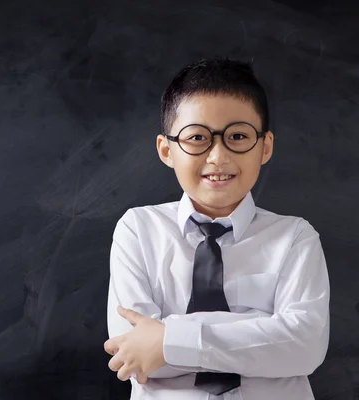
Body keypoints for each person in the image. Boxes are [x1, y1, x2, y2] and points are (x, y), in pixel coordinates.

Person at [103, 57, 330, 399]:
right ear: (167, 150)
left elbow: (304, 347)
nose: (218, 157)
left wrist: (167, 339)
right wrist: (261, 333)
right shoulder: (137, 229)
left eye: (238, 136)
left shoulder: (295, 237)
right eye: (198, 138)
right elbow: (133, 352)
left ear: (265, 146)